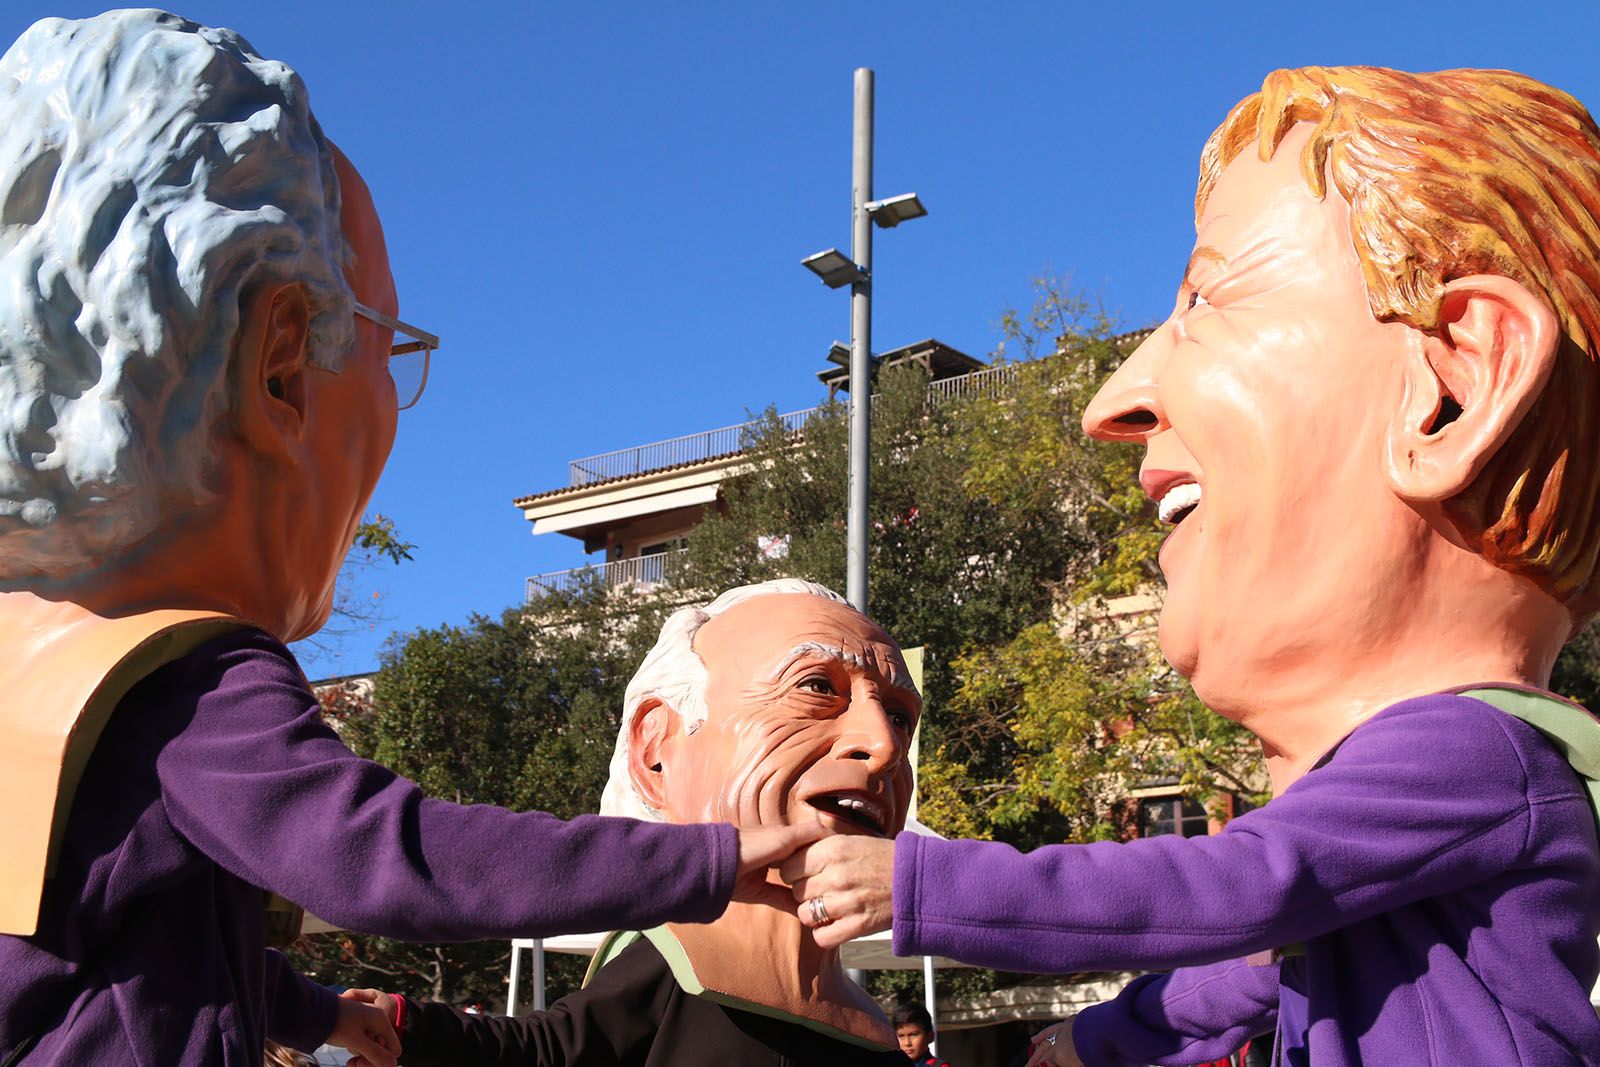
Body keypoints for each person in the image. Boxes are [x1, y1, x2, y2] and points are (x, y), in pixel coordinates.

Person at [0, 13, 815, 1066]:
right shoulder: (196, 681)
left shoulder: (36, 655)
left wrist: (313, 1011)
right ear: (281, 364)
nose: (392, 403)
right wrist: (708, 859)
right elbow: (386, 856)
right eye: (392, 349)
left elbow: (129, 931)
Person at [779, 66, 1600, 1066]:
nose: (1110, 406)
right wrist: (1091, 1037)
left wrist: (923, 887)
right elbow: (1250, 963)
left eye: (1208, 297)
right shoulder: (1413, 799)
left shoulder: (1467, 749)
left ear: (1452, 391)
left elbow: (1228, 889)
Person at [321, 580, 914, 1066]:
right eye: (816, 687)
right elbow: (546, 1053)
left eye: (899, 717)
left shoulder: (869, 1019)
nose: (884, 745)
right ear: (657, 750)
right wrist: (405, 1025)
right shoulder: (672, 957)